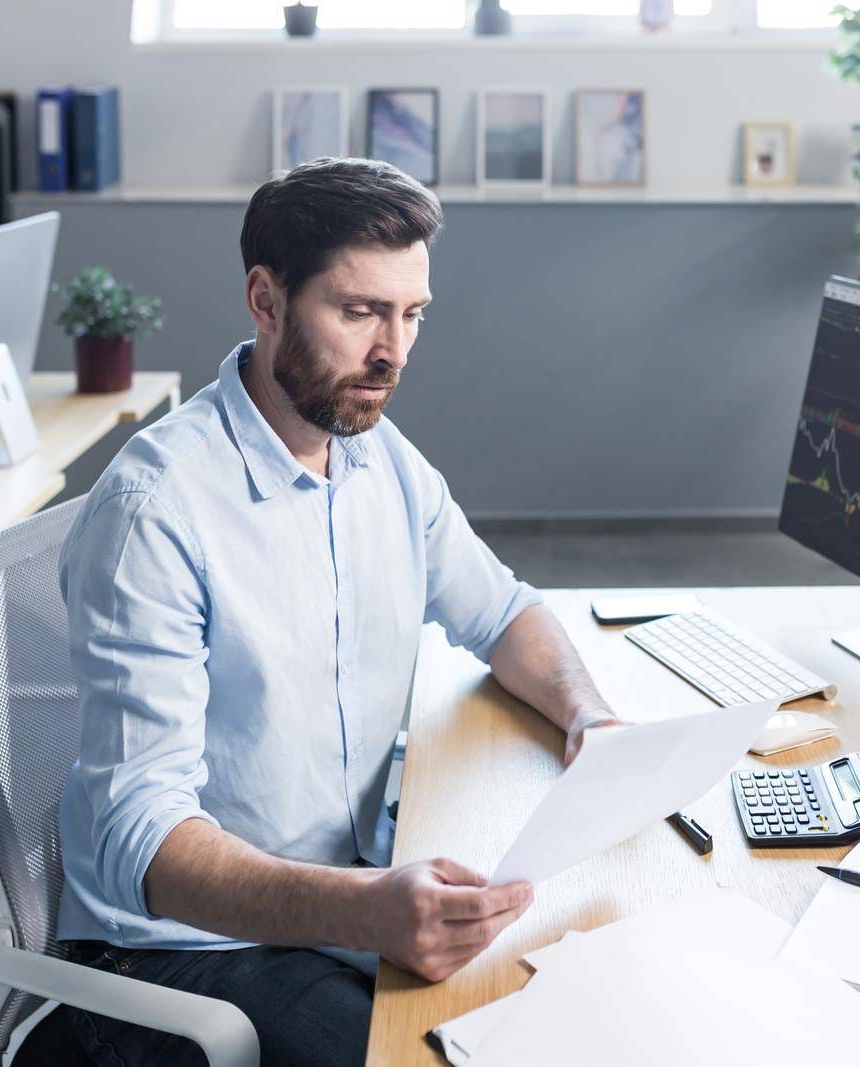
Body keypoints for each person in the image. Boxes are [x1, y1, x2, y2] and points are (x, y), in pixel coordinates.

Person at [48, 157, 622, 1066]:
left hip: (346, 891)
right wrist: (362, 906)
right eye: (358, 312)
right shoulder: (157, 510)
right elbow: (140, 836)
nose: (391, 352)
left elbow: (502, 610)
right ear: (266, 300)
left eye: (412, 314)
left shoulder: (377, 456)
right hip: (185, 952)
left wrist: (590, 714)